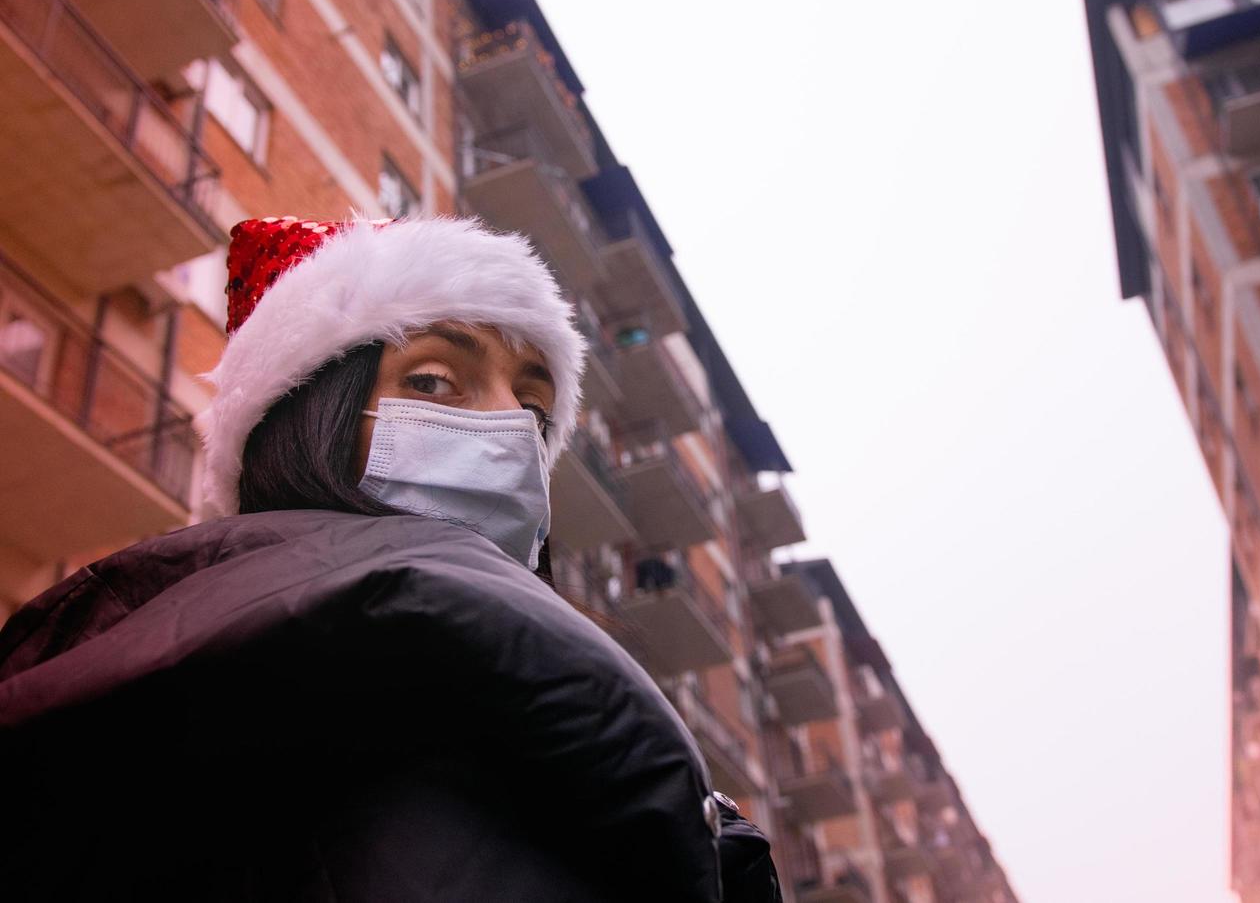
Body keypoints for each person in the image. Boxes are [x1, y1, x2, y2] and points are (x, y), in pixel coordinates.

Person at [0, 215, 781, 902]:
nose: (512, 431)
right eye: (436, 379)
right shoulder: (268, 736)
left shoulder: (508, 702)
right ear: (311, 417)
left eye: (536, 410)